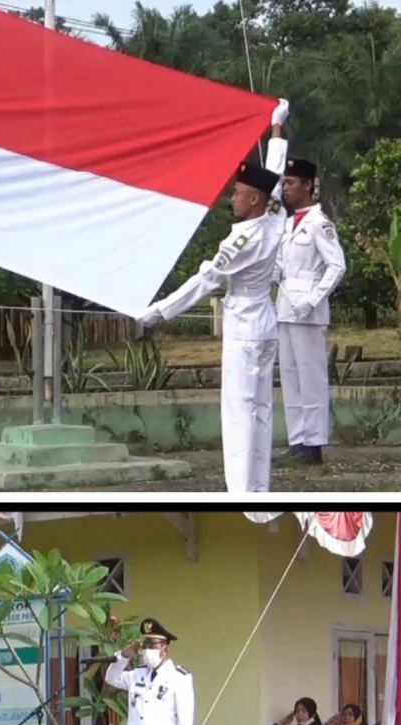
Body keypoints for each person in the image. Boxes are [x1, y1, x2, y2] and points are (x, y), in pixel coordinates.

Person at [137, 99, 290, 492]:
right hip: (265, 321)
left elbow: (204, 281)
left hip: (244, 327)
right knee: (261, 409)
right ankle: (259, 488)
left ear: (253, 200)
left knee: (239, 412)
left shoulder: (240, 241)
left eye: (237, 193)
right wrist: (277, 128)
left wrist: (158, 312)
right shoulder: (275, 217)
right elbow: (273, 177)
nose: (232, 198)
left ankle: (242, 490)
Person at [273, 156, 346, 466]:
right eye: (284, 182)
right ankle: (297, 440)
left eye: (290, 182)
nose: (285, 188)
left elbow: (337, 265)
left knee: (311, 376)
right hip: (285, 306)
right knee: (290, 377)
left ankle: (314, 443)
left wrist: (314, 298)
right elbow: (281, 265)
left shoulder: (319, 223)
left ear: (306, 185)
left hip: (308, 309)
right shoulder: (287, 224)